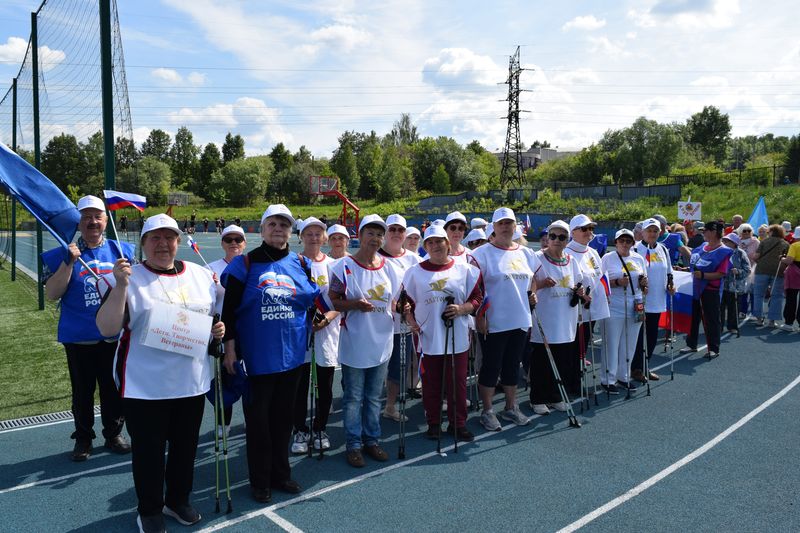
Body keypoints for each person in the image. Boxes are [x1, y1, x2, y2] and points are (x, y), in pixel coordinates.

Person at [95, 213, 225, 532]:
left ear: (178, 242)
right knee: (150, 452)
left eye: (169, 237)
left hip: (191, 382)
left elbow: (209, 319)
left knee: (185, 448)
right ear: (143, 243)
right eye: (155, 238)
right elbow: (107, 329)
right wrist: (122, 285)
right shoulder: (125, 277)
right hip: (145, 385)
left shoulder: (200, 275)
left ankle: (177, 500)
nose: (163, 244)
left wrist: (216, 331)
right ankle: (150, 509)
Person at [220, 204, 320, 503]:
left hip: (291, 359)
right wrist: (229, 350)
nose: (279, 229)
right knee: (258, 424)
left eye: (284, 224)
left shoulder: (300, 263)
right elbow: (229, 312)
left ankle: (281, 474)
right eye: (273, 224)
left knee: (283, 421)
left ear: (291, 231)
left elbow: (309, 302)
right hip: (257, 360)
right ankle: (260, 481)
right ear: (262, 229)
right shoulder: (245, 264)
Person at [41, 195, 135, 462]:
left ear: (106, 220)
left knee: (112, 390)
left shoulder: (123, 251)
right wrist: (69, 262)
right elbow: (52, 293)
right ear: (79, 222)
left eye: (97, 216)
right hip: (79, 337)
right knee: (82, 392)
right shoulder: (62, 252)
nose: (92, 222)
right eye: (86, 217)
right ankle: (83, 437)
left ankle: (113, 433)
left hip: (113, 337)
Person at [329, 214, 404, 468]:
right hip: (355, 343)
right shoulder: (342, 267)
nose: (375, 238)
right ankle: (353, 444)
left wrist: (405, 307)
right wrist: (354, 305)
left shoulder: (390, 267)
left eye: (379, 234)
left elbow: (395, 302)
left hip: (382, 342)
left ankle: (371, 439)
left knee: (374, 397)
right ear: (359, 236)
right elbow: (334, 300)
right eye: (369, 233)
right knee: (353, 398)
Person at [401, 225, 482, 441]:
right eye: (431, 242)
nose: (436, 246)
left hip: (458, 336)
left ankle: (458, 423)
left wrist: (463, 309)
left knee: (457, 383)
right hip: (427, 337)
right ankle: (434, 423)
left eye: (440, 241)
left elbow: (477, 298)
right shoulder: (414, 272)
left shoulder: (465, 269)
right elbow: (404, 302)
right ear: (425, 246)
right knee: (431, 383)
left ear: (448, 243)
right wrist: (409, 318)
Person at [470, 207, 539, 431]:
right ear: (493, 227)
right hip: (493, 322)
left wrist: (533, 292)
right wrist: (479, 316)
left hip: (520, 319)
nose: (505, 227)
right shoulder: (481, 254)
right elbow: (473, 289)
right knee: (491, 367)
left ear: (515, 226)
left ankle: (511, 407)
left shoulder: (526, 253)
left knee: (512, 366)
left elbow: (533, 278)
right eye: (501, 223)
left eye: (509, 223)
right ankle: (487, 411)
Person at [291, 217, 341, 454]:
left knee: (325, 384)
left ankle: (320, 428)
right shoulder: (292, 263)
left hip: (326, 329)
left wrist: (327, 318)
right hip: (299, 332)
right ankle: (299, 429)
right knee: (299, 386)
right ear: (301, 236)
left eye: (317, 233)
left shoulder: (334, 265)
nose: (313, 237)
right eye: (308, 233)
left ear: (324, 237)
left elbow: (340, 300)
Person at [530, 220, 585, 414]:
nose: (556, 240)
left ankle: (555, 396)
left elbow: (580, 283)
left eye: (562, 237)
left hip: (566, 319)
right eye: (552, 236)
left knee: (563, 359)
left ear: (567, 239)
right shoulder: (536, 258)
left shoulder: (572, 260)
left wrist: (580, 292)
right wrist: (542, 284)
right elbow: (529, 285)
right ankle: (537, 398)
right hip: (545, 318)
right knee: (542, 361)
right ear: (547, 237)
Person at [378, 214, 421, 422]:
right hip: (378, 325)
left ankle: (390, 407)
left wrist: (410, 308)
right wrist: (394, 306)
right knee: (373, 368)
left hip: (403, 326)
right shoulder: (375, 257)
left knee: (398, 368)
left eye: (400, 230)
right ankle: (364, 406)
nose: (396, 233)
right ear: (385, 232)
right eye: (392, 229)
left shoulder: (414, 259)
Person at [207, 224, 247, 437]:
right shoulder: (210, 268)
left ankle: (251, 418)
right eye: (229, 239)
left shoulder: (251, 266)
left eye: (238, 239)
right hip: (221, 333)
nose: (233, 243)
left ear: (244, 243)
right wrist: (211, 286)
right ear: (222, 243)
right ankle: (224, 424)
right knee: (224, 378)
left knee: (251, 378)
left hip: (248, 333)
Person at [565, 214, 611, 395]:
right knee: (573, 349)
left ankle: (575, 381)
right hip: (575, 310)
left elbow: (600, 277)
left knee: (583, 348)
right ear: (573, 232)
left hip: (592, 309)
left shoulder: (592, 252)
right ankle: (571, 384)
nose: (589, 232)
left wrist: (604, 294)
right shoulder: (567, 252)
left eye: (591, 228)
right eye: (584, 229)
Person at [601, 229, 647, 393]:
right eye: (622, 241)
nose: (625, 244)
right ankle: (608, 379)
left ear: (633, 243)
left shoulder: (639, 258)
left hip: (636, 304)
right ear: (616, 242)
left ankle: (624, 376)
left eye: (628, 241)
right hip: (615, 305)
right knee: (611, 343)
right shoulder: (608, 258)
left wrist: (644, 283)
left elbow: (644, 285)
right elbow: (602, 283)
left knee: (630, 344)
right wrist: (618, 282)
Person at [680, 221, 733, 357]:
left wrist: (703, 275)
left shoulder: (723, 251)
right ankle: (691, 344)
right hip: (696, 287)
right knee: (693, 317)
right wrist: (685, 269)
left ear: (714, 232)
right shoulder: (703, 246)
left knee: (711, 319)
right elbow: (695, 265)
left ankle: (713, 348)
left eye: (706, 230)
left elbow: (721, 273)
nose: (703, 233)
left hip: (710, 290)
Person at [630, 218, 673, 383]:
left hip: (657, 300)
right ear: (642, 232)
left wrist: (670, 285)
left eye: (655, 231)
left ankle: (645, 366)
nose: (652, 234)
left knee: (652, 336)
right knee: (640, 336)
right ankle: (636, 368)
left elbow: (668, 272)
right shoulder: (635, 249)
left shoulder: (663, 249)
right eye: (649, 230)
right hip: (640, 300)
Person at [751, 224, 789, 327]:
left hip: (762, 270)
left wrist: (761, 262)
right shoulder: (785, 244)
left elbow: (756, 256)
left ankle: (759, 319)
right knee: (777, 296)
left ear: (771, 232)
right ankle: (772, 321)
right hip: (778, 271)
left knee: (758, 295)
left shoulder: (764, 241)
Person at [720, 232, 751, 334]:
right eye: (724, 240)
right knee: (719, 307)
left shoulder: (741, 253)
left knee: (733, 308)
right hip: (721, 284)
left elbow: (747, 269)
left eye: (727, 241)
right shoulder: (721, 251)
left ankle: (732, 326)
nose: (724, 242)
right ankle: (718, 327)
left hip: (735, 286)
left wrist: (738, 271)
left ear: (734, 243)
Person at [781, 233, 800, 332]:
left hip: (795, 274)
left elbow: (789, 261)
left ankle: (788, 323)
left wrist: (782, 258)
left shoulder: (795, 245)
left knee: (791, 298)